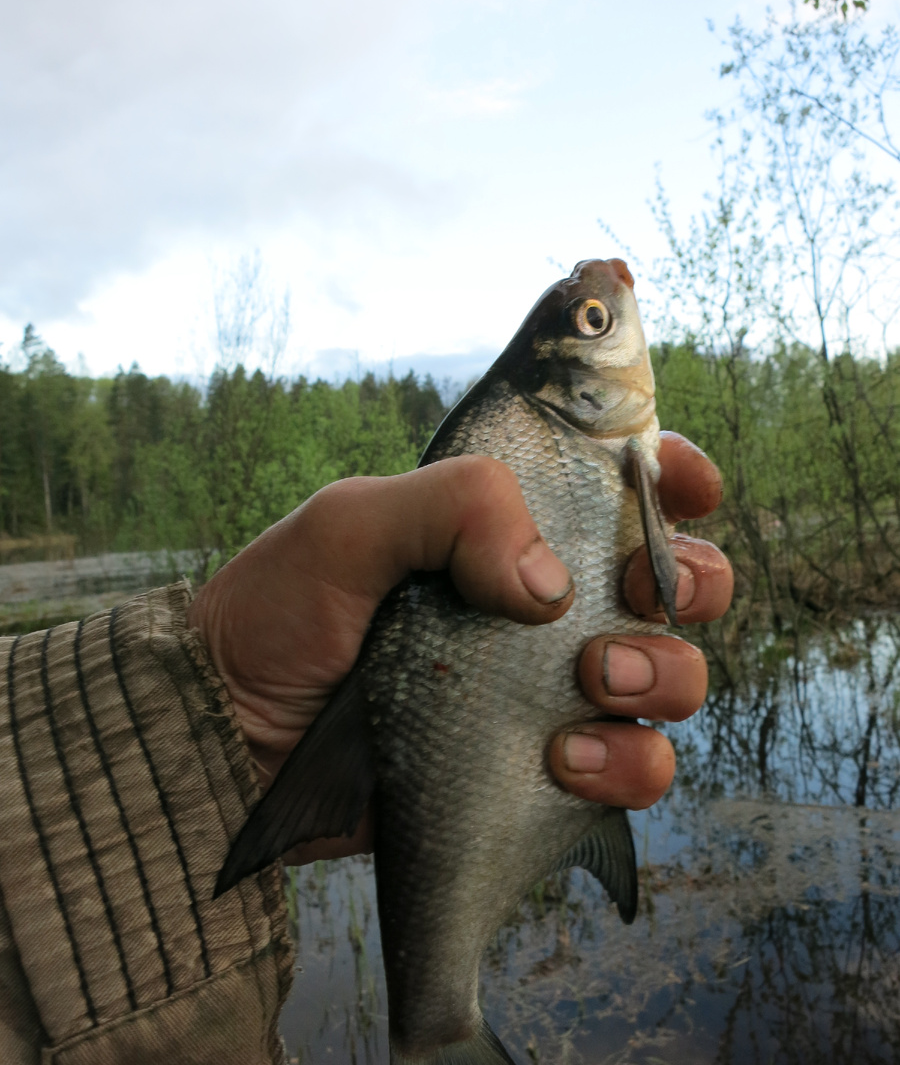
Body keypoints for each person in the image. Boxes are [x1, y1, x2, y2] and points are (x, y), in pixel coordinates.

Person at [0, 434, 731, 1065]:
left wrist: (207, 722)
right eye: (593, 321)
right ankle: (438, 1029)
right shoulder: (568, 450)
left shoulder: (619, 458)